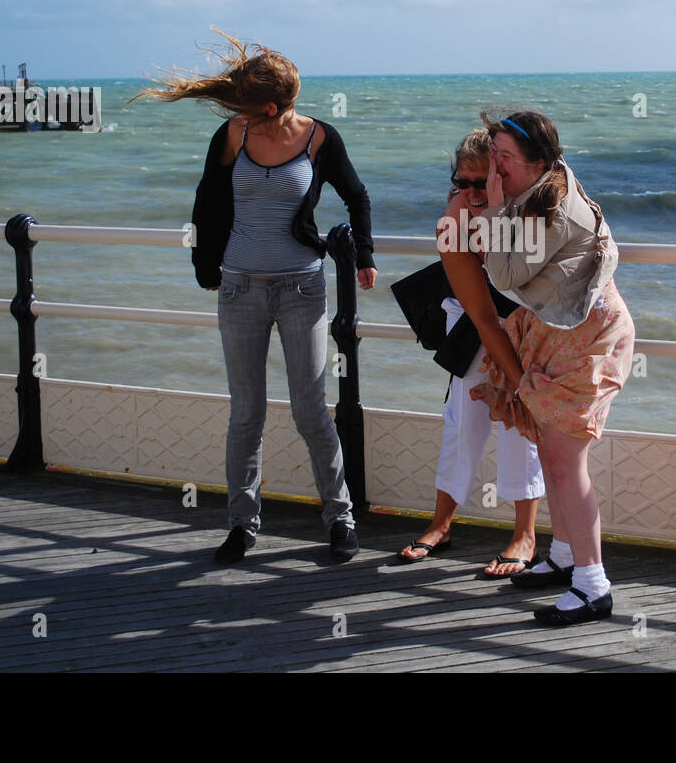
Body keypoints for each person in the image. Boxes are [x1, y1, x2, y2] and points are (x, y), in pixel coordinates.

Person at [135, 31, 377, 564]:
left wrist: (364, 256)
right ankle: (242, 525)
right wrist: (205, 266)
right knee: (246, 413)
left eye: (248, 105)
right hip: (240, 288)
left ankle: (339, 519)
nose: (238, 111)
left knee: (312, 412)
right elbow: (206, 198)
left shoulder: (319, 138)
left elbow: (356, 195)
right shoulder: (232, 134)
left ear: (273, 106)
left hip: (301, 290)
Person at [439, 109, 634, 626]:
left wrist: (492, 208)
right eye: (478, 173)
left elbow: (502, 278)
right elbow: (483, 308)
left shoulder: (545, 209)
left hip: (588, 337)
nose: (492, 177)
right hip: (549, 331)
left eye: (502, 162)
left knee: (566, 462)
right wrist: (476, 208)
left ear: (539, 162)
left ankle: (594, 586)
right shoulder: (517, 196)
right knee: (551, 455)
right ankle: (565, 557)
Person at [396, 130, 545, 577]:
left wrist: (519, 375)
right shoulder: (455, 217)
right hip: (475, 321)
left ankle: (526, 535)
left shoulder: (532, 211)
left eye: (483, 182)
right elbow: (481, 310)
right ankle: (441, 524)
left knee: (520, 427)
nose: (472, 192)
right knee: (462, 420)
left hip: (527, 323)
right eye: (463, 182)